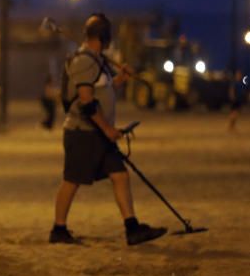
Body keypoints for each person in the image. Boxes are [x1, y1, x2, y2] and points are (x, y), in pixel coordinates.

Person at [50, 13, 167, 246]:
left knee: (120, 176)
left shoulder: (97, 60)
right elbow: (86, 101)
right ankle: (58, 230)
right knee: (72, 180)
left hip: (99, 134)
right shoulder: (84, 61)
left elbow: (104, 88)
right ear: (104, 37)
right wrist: (108, 130)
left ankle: (132, 228)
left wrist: (121, 78)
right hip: (83, 133)